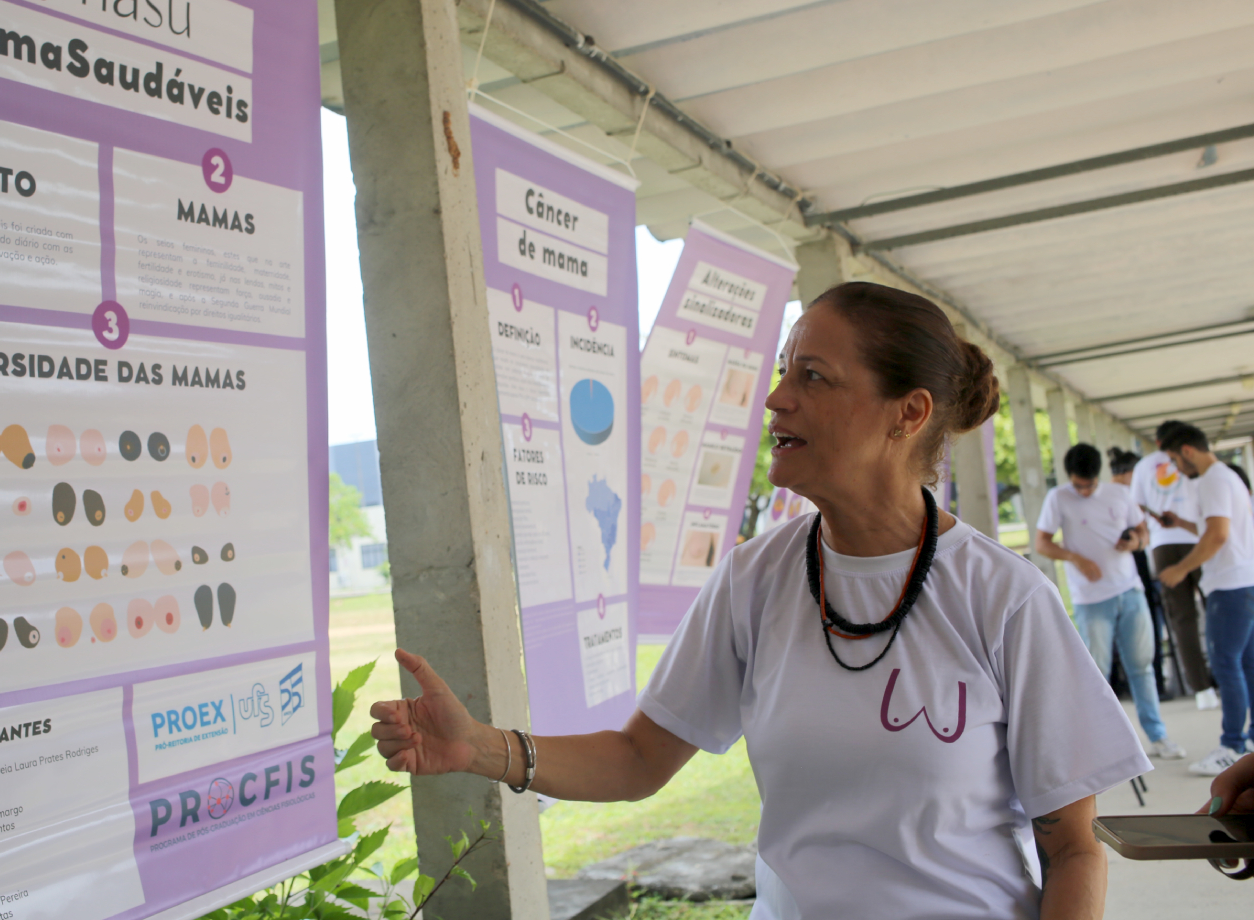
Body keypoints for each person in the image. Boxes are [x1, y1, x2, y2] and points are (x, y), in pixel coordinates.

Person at [372, 282, 1152, 920]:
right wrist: (479, 747)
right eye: (784, 371)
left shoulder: (1002, 599)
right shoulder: (756, 578)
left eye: (813, 375)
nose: (777, 398)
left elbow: (1073, 849)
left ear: (907, 414)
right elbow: (641, 757)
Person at [1035, 444, 1184, 759]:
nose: (1084, 491)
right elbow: (1042, 544)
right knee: (1096, 671)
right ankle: (1101, 742)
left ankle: (1158, 736)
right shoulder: (1058, 498)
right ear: (1069, 478)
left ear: (1098, 476)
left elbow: (1143, 533)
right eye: (1078, 485)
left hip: (1129, 592)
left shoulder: (1119, 495)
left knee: (1141, 666)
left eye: (1088, 485)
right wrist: (1075, 557)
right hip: (1090, 600)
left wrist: (1135, 543)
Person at [1157, 423, 1254, 776]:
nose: (1177, 470)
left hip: (1228, 586)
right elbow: (1217, 530)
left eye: (1174, 460)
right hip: (1244, 582)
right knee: (1245, 664)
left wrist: (1181, 569)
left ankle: (1231, 745)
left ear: (1187, 450)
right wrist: (1182, 522)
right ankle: (1248, 741)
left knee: (1226, 664)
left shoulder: (1212, 479)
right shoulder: (1229, 477)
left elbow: (1217, 535)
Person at [1131, 420, 1218, 710]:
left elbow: (1137, 505)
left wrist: (1156, 518)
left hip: (1164, 542)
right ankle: (1227, 674)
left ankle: (1201, 689)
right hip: (1198, 534)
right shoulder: (1193, 460)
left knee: (1183, 619)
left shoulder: (1145, 466)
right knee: (1216, 607)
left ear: (1158, 442)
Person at [1110, 448, 1170, 700]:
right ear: (1128, 474)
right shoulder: (1123, 495)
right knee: (1145, 630)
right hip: (1131, 569)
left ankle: (1125, 684)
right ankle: (1154, 684)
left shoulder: (1118, 495)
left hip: (1123, 569)